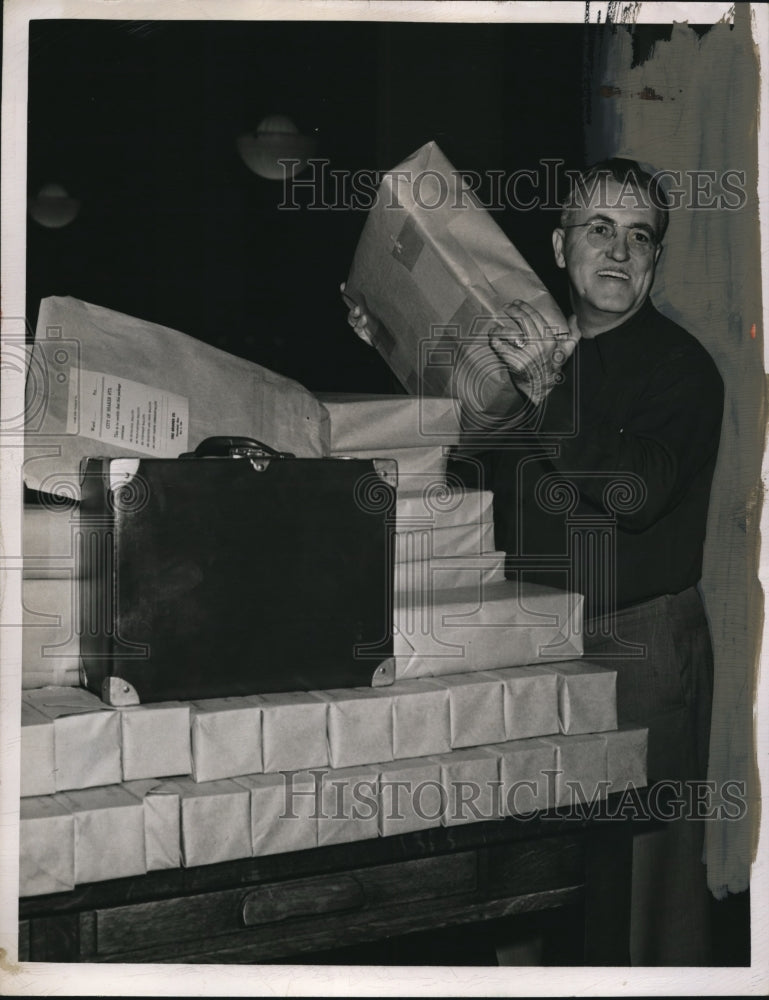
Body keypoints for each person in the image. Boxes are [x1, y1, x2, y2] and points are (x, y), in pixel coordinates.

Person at [345, 158, 724, 966]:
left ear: (654, 258)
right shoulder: (528, 347)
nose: (618, 251)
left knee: (643, 885)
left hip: (637, 643)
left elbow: (633, 492)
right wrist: (390, 332)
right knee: (541, 868)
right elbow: (467, 448)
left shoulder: (679, 367)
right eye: (598, 229)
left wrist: (549, 393)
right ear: (558, 246)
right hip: (534, 642)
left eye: (639, 236)